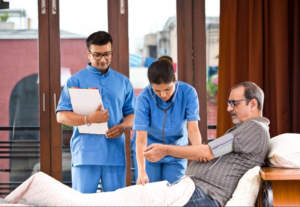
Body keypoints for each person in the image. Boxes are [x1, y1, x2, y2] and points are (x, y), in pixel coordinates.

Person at [143, 82, 270, 206]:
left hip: (206, 195)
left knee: (141, 201)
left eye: (234, 103)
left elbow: (208, 151)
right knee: (137, 197)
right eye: (229, 103)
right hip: (197, 191)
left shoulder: (255, 128)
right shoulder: (247, 130)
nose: (229, 108)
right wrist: (205, 151)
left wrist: (165, 150)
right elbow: (211, 150)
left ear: (253, 104)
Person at [56, 31, 136, 193]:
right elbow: (61, 116)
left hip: (115, 153)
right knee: (82, 204)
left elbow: (133, 114)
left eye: (107, 54)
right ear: (88, 54)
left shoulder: (123, 82)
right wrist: (89, 118)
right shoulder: (75, 81)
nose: (103, 59)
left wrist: (123, 127)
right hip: (85, 154)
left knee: (116, 204)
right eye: (97, 55)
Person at [131, 57, 202, 185]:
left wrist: (198, 151)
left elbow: (193, 129)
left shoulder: (189, 92)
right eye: (157, 90)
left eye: (167, 89)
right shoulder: (144, 98)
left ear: (175, 79)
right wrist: (142, 171)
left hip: (177, 150)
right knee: (150, 195)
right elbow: (141, 139)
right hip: (149, 151)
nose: (163, 95)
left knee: (174, 195)